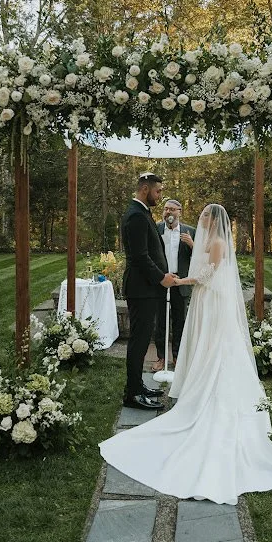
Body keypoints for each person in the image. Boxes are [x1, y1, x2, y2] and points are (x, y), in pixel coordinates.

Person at [100, 204, 272, 504]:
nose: (201, 221)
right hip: (206, 301)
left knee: (217, 347)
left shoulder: (217, 244)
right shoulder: (210, 242)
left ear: (214, 221)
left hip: (212, 301)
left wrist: (180, 281)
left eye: (205, 217)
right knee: (207, 348)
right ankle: (205, 382)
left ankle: (216, 391)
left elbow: (207, 275)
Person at [121, 172, 178, 410]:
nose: (160, 195)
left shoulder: (142, 212)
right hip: (141, 289)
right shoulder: (135, 216)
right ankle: (132, 394)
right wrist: (161, 278)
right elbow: (140, 257)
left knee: (143, 342)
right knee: (138, 342)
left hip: (146, 290)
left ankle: (137, 386)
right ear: (145, 189)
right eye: (158, 191)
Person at [153, 200, 195, 371]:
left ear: (180, 212)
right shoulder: (156, 229)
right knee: (160, 322)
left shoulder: (190, 231)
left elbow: (201, 257)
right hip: (161, 281)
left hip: (180, 282)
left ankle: (177, 356)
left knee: (180, 322)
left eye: (172, 209)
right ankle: (161, 357)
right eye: (166, 209)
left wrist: (192, 244)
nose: (168, 212)